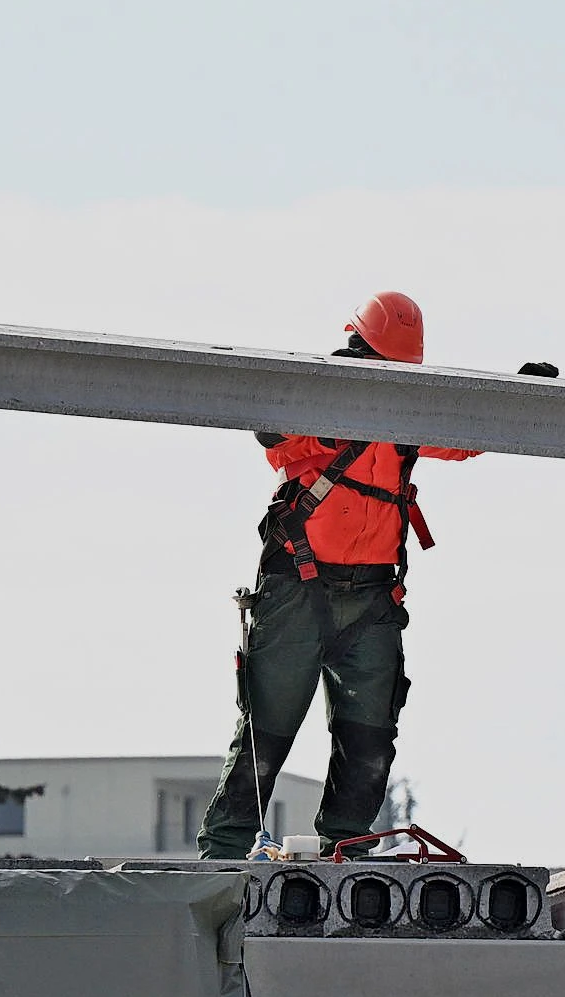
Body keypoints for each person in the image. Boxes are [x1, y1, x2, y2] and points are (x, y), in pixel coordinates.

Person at [197, 293, 478, 859]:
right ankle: (223, 858)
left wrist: (516, 395)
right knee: (265, 734)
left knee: (370, 738)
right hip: (299, 587)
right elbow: (273, 433)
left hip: (372, 596)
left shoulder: (409, 418)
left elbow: (469, 437)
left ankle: (345, 854)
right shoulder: (315, 398)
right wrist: (333, 412)